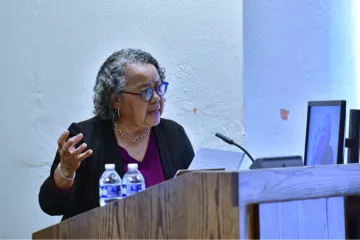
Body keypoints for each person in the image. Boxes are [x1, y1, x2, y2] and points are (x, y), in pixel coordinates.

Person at [38, 48, 195, 220]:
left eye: (159, 88)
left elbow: (194, 195)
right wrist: (66, 173)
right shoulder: (84, 138)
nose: (156, 98)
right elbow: (51, 205)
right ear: (116, 100)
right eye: (146, 91)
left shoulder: (174, 135)